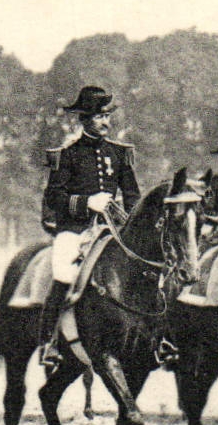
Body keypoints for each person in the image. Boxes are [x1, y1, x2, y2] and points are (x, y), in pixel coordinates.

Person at [37, 86, 141, 369]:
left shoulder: (120, 154)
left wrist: (129, 218)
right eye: (98, 117)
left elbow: (133, 196)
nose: (105, 122)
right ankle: (50, 343)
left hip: (111, 231)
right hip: (75, 231)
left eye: (107, 116)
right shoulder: (67, 156)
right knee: (62, 273)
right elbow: (53, 197)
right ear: (84, 120)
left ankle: (157, 338)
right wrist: (86, 203)